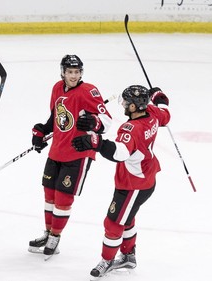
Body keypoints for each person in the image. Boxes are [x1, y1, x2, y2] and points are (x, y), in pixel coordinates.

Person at [71, 85, 170, 280]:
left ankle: (107, 260)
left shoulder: (130, 128)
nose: (123, 105)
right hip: (145, 177)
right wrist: (158, 96)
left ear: (134, 106)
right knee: (127, 217)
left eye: (126, 102)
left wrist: (97, 143)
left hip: (134, 184)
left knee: (113, 222)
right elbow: (166, 112)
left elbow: (120, 153)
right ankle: (128, 255)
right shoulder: (152, 112)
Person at [28, 54, 112, 260]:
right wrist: (42, 131)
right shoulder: (57, 87)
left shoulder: (88, 91)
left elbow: (107, 121)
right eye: (69, 72)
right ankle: (48, 233)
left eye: (77, 72)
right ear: (63, 72)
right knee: (49, 194)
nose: (73, 76)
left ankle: (55, 237)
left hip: (78, 152)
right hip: (57, 149)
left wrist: (94, 123)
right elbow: (56, 116)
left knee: (64, 197)